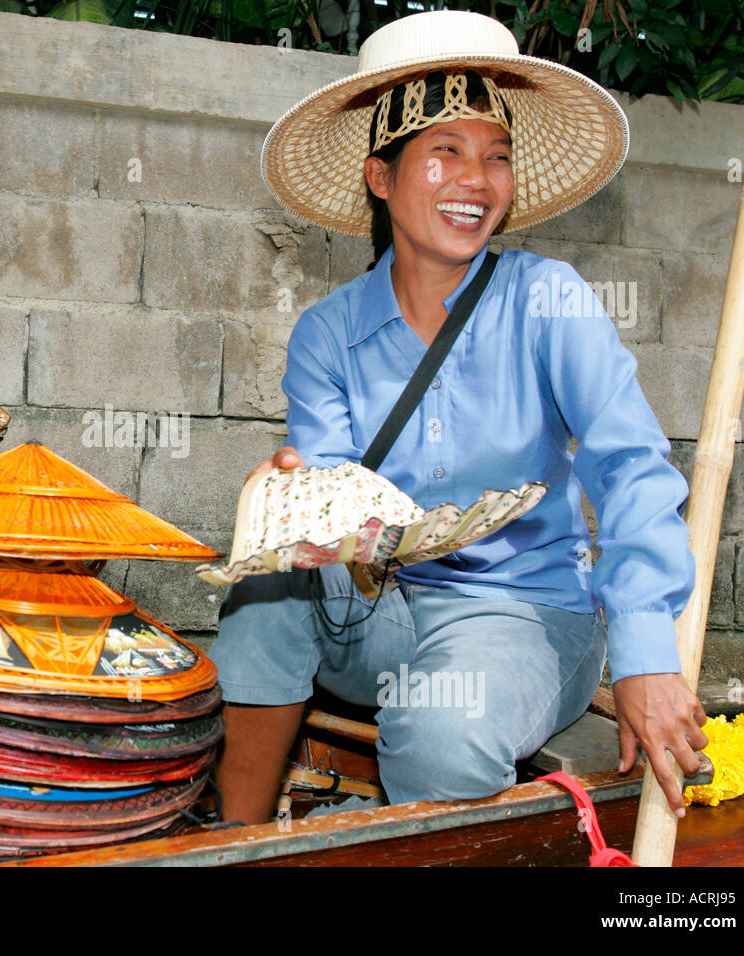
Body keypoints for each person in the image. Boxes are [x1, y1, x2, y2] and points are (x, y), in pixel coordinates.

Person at [209, 10, 709, 824]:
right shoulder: (328, 334)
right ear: (381, 176)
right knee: (265, 593)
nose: (476, 180)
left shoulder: (549, 301)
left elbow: (629, 466)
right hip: (383, 614)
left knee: (441, 726)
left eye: (496, 156)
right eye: (445, 152)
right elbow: (340, 509)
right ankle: (239, 840)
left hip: (523, 616)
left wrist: (648, 653)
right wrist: (294, 508)